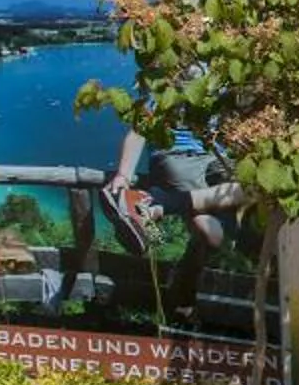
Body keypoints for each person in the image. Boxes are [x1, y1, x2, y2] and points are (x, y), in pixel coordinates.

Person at [104, 128, 248, 326]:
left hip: (210, 161)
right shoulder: (180, 96)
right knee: (251, 189)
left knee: (211, 233)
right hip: (187, 159)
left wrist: (123, 176)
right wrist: (123, 176)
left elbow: (140, 128)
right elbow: (140, 127)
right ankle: (155, 205)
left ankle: (157, 203)